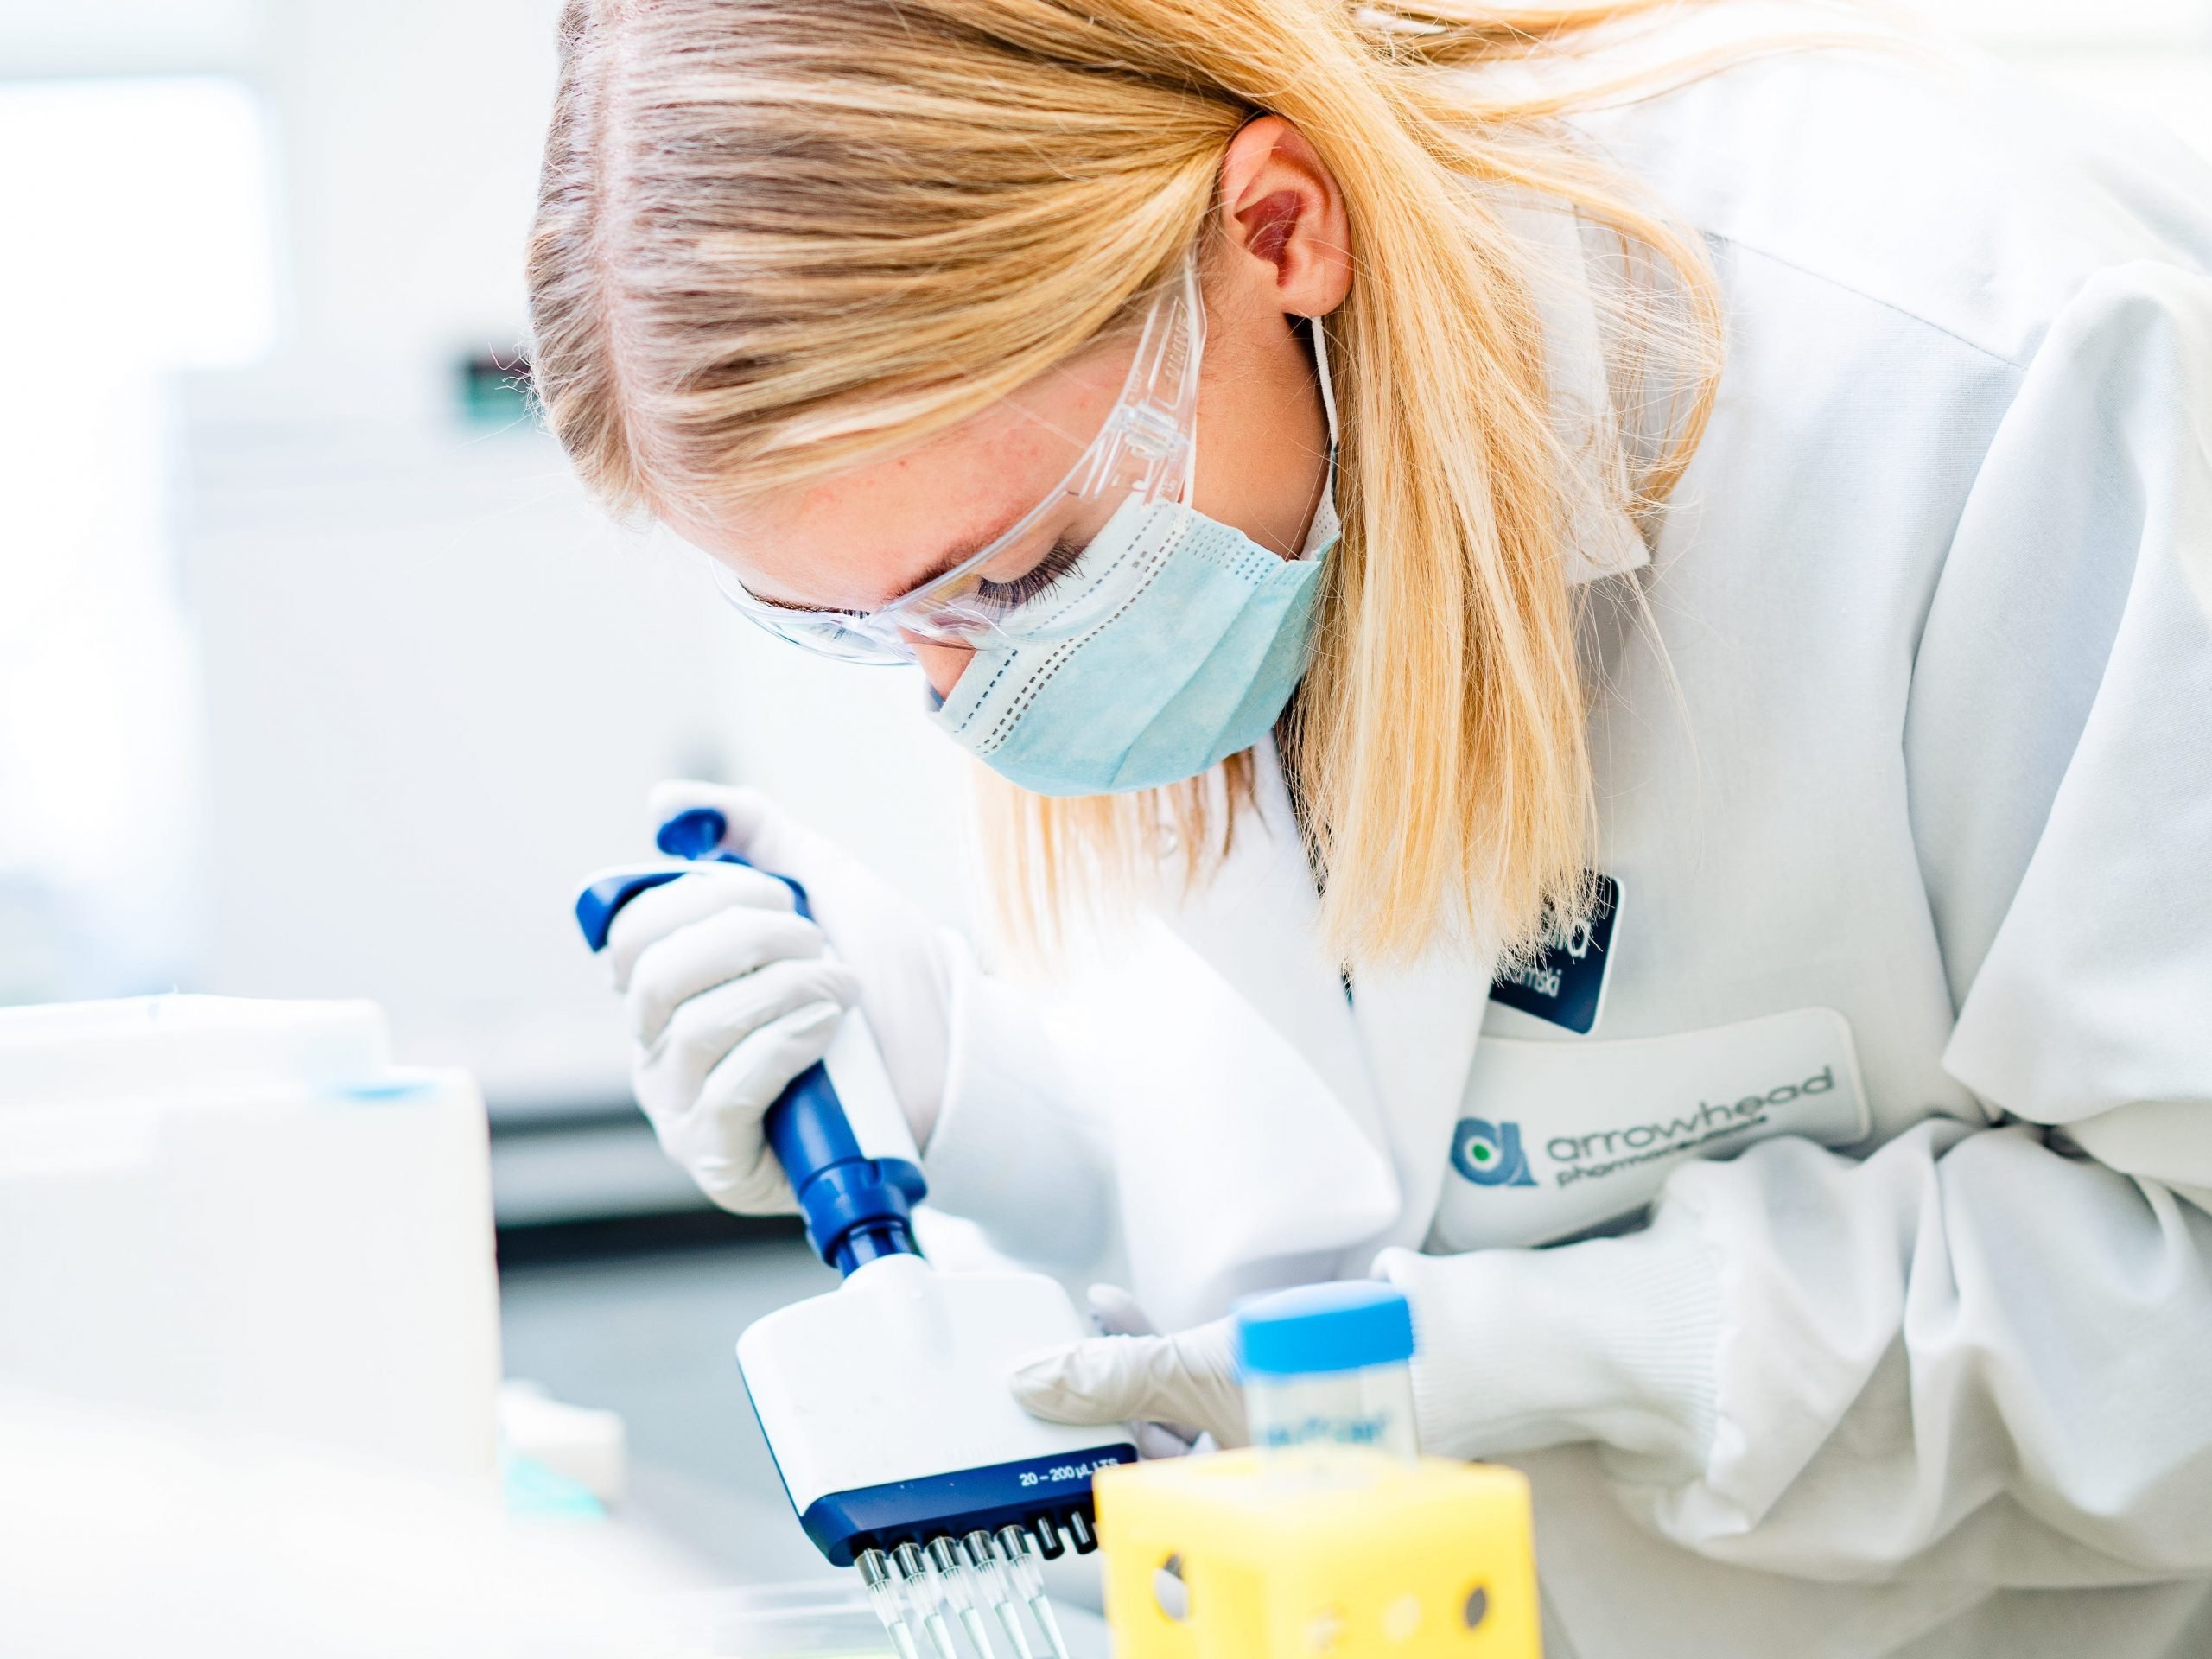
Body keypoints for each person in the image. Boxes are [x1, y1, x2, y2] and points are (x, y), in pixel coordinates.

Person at [524, 2, 2212, 1653]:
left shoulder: (1974, 368)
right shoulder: (1145, 483)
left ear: (1275, 231)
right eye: (848, 628)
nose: (964, 697)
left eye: (1016, 574)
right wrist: (966, 1087)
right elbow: (1345, 1165)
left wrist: (1521, 1361)